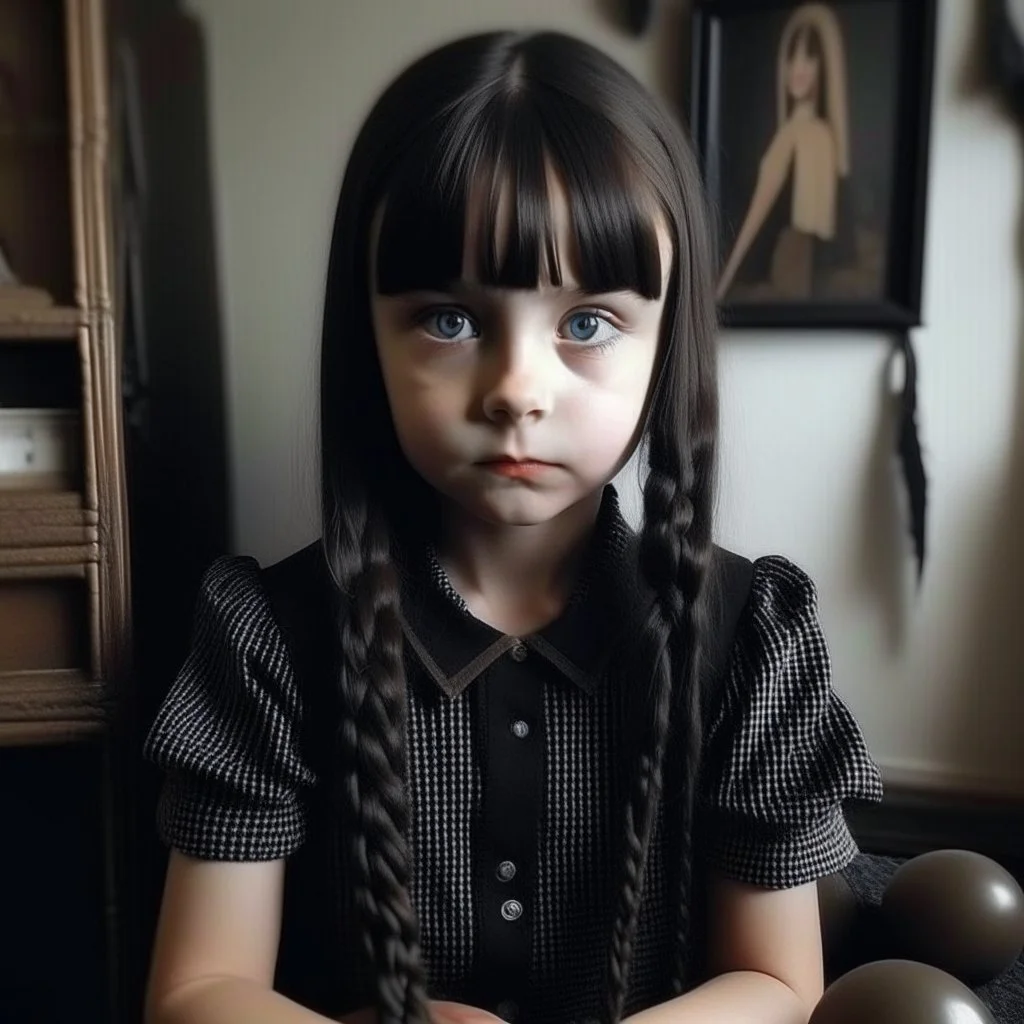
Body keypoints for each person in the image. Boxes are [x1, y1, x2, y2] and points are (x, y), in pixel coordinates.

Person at [141, 29, 883, 1024]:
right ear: (368, 337)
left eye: (587, 324)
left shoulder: (748, 638)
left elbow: (782, 984)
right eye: (449, 319)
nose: (515, 391)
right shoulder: (268, 639)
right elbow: (196, 990)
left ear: (665, 346)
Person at [716, 3, 856, 302]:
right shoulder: (801, 134)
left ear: (823, 66)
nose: (797, 68)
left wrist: (720, 289)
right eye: (792, 56)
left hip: (795, 279)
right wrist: (720, 288)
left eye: (809, 57)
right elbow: (756, 217)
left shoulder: (810, 135)